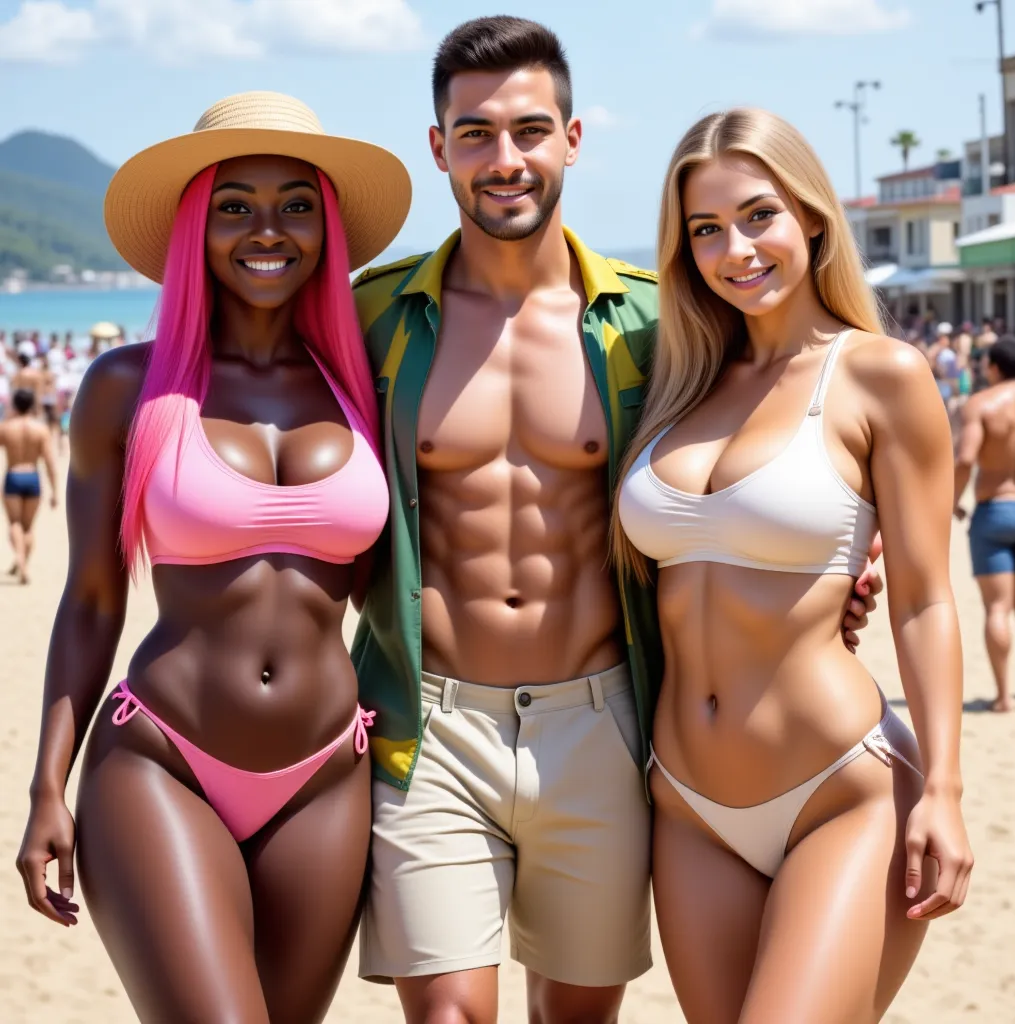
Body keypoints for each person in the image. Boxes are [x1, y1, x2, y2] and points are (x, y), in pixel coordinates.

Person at [351, 19, 880, 1024]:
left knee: (578, 1014)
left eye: (530, 130)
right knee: (449, 1014)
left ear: (574, 139)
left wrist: (835, 565)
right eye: (474, 134)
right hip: (428, 718)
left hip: (603, 719)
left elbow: (774, 433)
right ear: (438, 148)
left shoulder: (657, 323)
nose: (504, 160)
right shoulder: (376, 314)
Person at [15, 91, 411, 1023]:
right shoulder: (128, 386)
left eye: (296, 204)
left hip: (327, 775)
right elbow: (90, 599)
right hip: (162, 760)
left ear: (326, 226)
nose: (266, 230)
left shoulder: (369, 381)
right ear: (196, 226)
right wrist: (44, 787)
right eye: (234, 205)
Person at [614, 108, 972, 1022]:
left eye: (758, 215)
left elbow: (927, 600)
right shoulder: (675, 381)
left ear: (812, 216)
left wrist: (946, 788)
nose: (736, 249)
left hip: (838, 790)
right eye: (705, 230)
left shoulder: (879, 375)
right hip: (688, 805)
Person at [954, 335, 1015, 712]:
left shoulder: (980, 405)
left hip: (995, 510)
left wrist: (951, 502)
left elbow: (965, 458)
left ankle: (1003, 696)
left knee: (998, 608)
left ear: (993, 366)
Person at [1, 388, 57, 583]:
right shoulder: (40, 429)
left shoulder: (6, 427)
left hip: (13, 476)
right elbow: (49, 461)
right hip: (32, 477)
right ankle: (23, 563)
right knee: (28, 527)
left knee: (14, 523)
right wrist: (55, 490)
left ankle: (20, 560)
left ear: (15, 404)